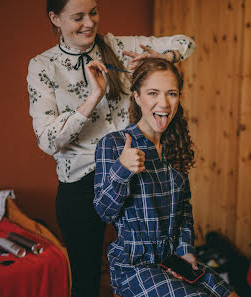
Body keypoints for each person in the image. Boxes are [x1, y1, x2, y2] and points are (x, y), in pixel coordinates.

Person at [26, 0, 195, 296]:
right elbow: (48, 141)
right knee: (86, 284)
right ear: (55, 18)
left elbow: (186, 42)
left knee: (152, 269)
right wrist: (94, 97)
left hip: (134, 170)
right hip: (80, 184)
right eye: (78, 17)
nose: (90, 23)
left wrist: (165, 57)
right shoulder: (43, 67)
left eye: (93, 13)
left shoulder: (117, 46)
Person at [93, 58, 239, 297]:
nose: (164, 102)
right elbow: (104, 211)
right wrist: (122, 170)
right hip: (134, 266)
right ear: (137, 96)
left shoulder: (174, 144)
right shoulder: (114, 144)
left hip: (174, 258)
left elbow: (183, 208)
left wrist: (186, 250)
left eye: (171, 93)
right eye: (153, 93)